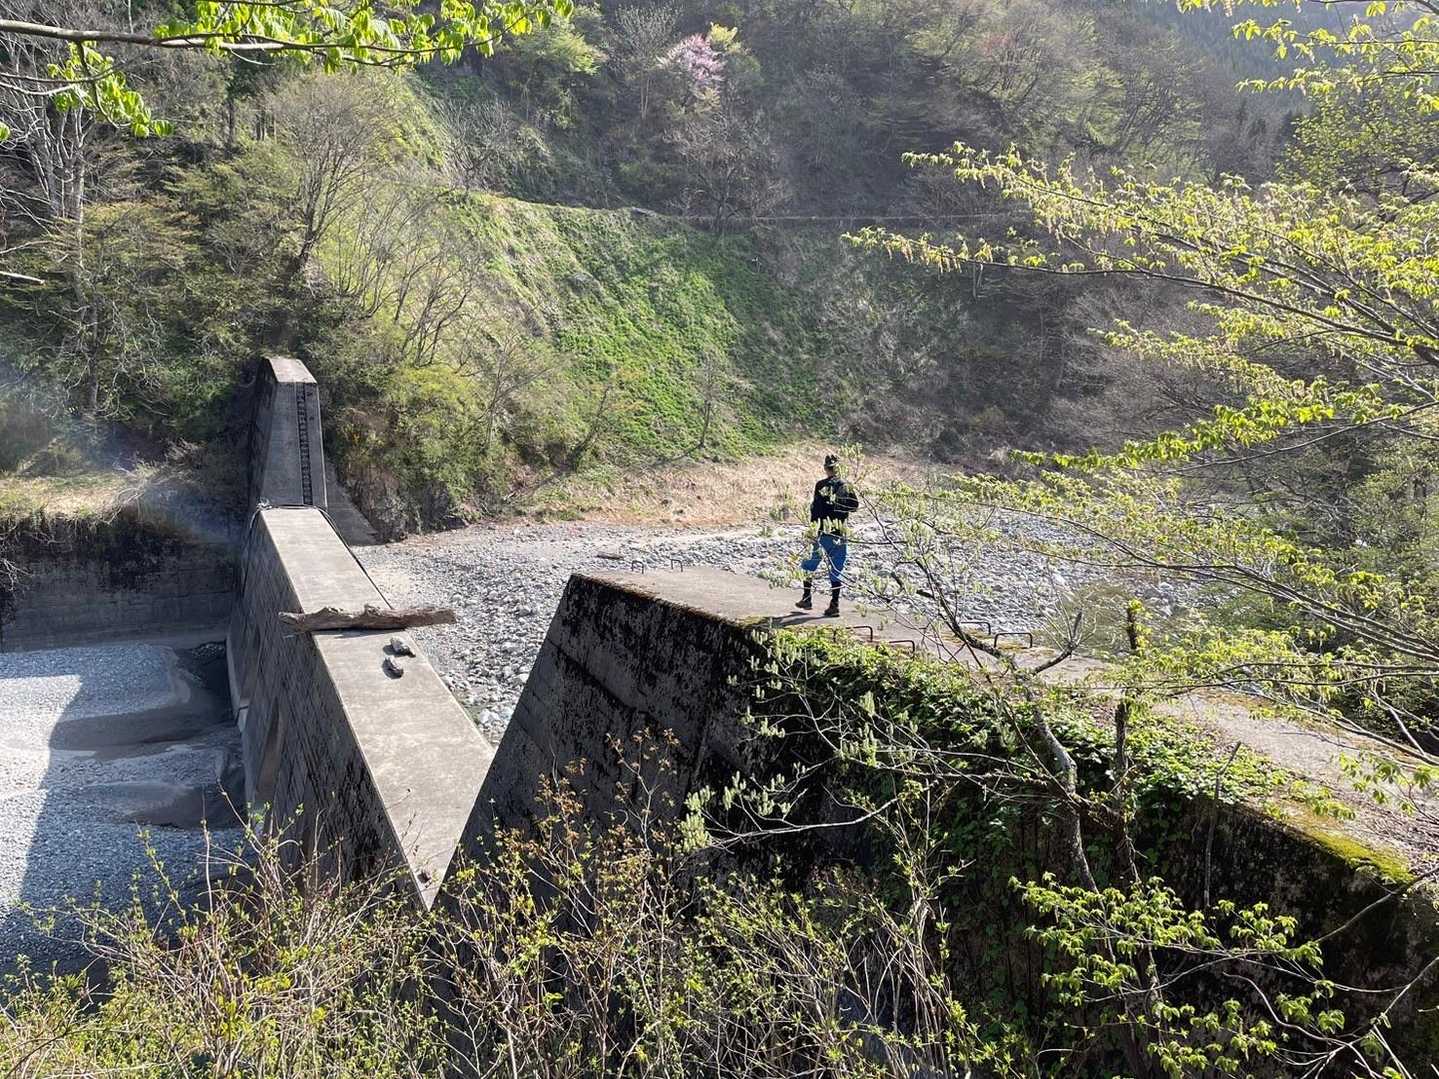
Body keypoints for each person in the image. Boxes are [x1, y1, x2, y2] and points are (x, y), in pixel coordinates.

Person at [796, 453, 859, 617]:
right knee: (836, 569)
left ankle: (807, 598)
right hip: (840, 534)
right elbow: (854, 506)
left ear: (826, 468)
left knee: (809, 565)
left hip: (822, 532)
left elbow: (815, 509)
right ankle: (834, 604)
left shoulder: (820, 485)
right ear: (839, 468)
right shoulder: (846, 485)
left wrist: (812, 529)